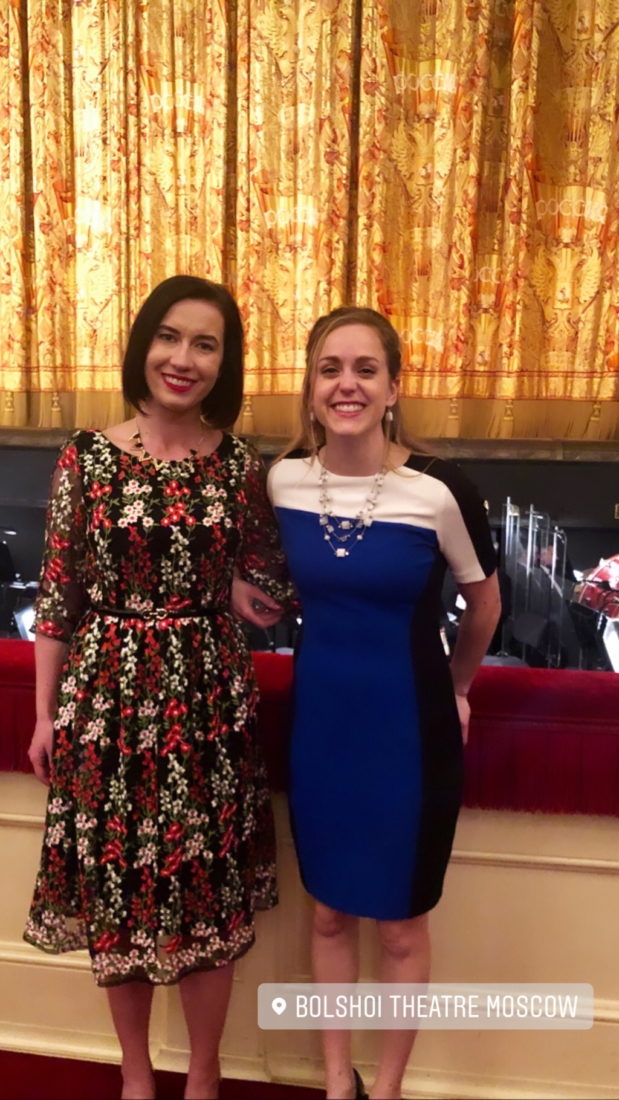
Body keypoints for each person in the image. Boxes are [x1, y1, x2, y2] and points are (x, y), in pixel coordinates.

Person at [25, 275, 293, 1100]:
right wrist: (43, 715)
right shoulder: (88, 456)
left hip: (207, 702)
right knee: (120, 893)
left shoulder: (241, 465)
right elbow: (57, 594)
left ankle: (205, 1076)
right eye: (170, 337)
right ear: (143, 344)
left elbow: (266, 580)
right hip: (104, 698)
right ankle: (136, 1076)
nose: (184, 359)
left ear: (225, 361)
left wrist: (251, 593)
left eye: (205, 344)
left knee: (208, 901)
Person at [267, 307, 501, 1100]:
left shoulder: (438, 490)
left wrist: (460, 687)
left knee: (401, 923)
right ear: (309, 387)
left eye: (365, 369)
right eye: (330, 368)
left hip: (408, 730)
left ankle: (389, 1088)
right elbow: (254, 568)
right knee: (329, 914)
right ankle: (339, 1081)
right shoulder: (282, 480)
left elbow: (485, 606)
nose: (346, 384)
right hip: (321, 729)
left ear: (394, 387)